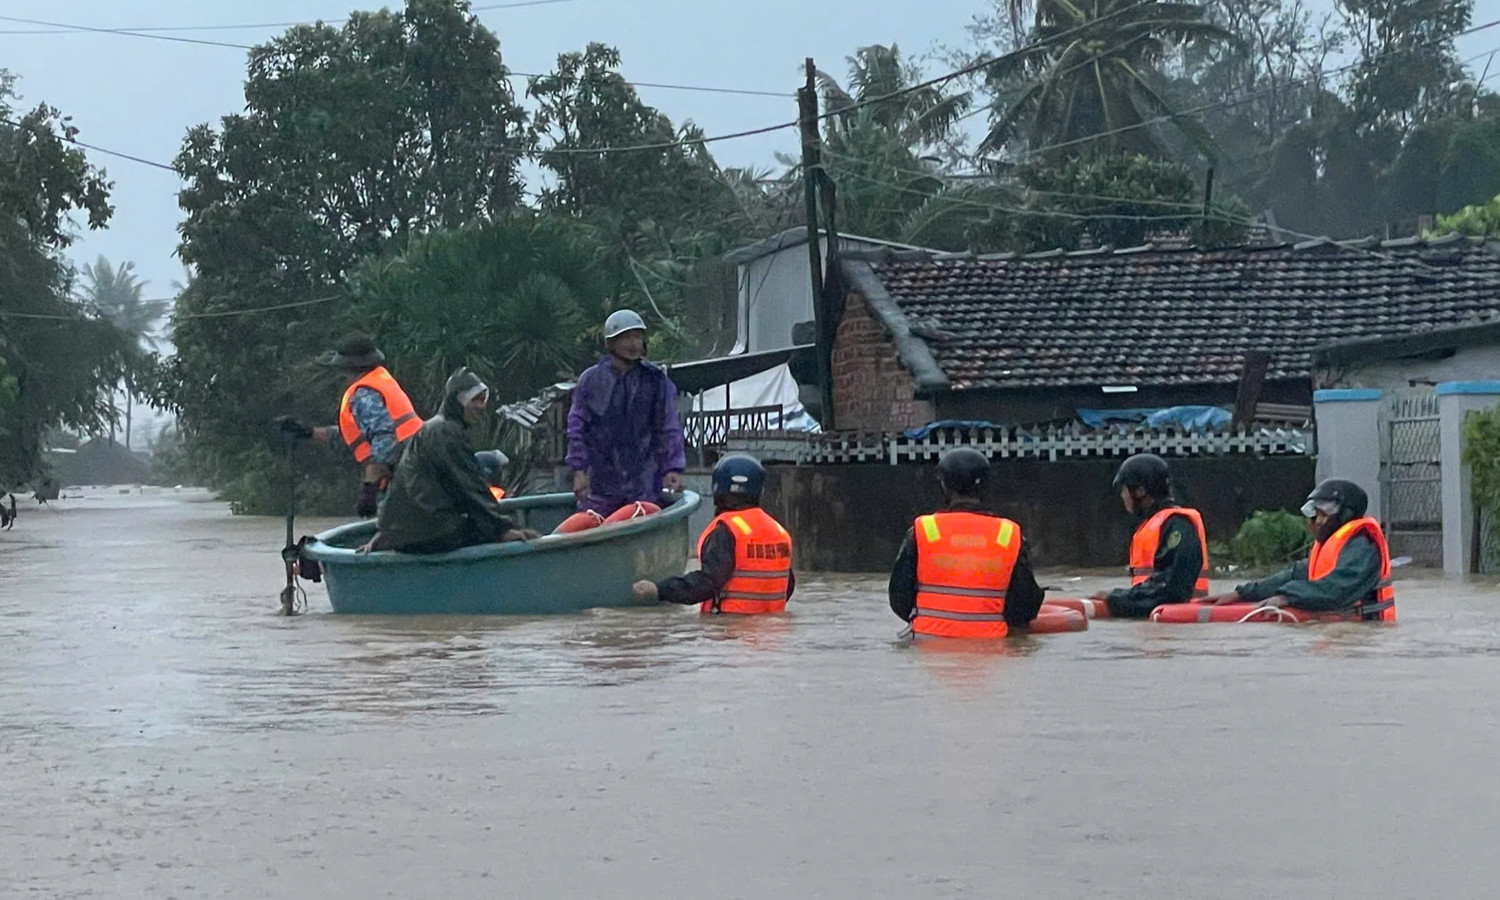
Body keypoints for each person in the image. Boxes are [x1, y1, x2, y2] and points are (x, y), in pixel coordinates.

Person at [367, 368, 538, 554]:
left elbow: (399, 485)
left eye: (483, 400)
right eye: (475, 400)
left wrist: (387, 529)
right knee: (514, 534)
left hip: (405, 533)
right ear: (458, 401)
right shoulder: (447, 432)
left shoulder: (432, 428)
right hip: (430, 533)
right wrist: (503, 529)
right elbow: (469, 486)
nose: (481, 407)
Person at [888, 447, 1045, 638]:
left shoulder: (923, 530)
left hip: (927, 642)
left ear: (945, 486)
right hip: (991, 647)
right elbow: (1025, 605)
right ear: (985, 486)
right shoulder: (1009, 534)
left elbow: (899, 597)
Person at [1205, 479, 1395, 621]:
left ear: (1346, 514)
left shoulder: (1362, 548)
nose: (1318, 521)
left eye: (1323, 515)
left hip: (1363, 633)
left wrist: (1287, 597)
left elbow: (1336, 588)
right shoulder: (1333, 547)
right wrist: (1243, 593)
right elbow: (1295, 574)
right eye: (1316, 514)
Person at [276, 332, 421, 517]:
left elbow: (385, 440)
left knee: (391, 532)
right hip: (412, 467)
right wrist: (307, 432)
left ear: (347, 366)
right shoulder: (380, 380)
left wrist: (370, 489)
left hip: (404, 476)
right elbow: (356, 436)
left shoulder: (364, 393)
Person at [631, 454, 793, 614]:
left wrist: (660, 589)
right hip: (774, 633)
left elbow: (707, 583)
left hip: (730, 631)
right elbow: (787, 584)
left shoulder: (727, 531)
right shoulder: (779, 532)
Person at [565, 310, 686, 518]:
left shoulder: (655, 380)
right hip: (601, 480)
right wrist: (579, 470)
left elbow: (668, 426)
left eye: (637, 337)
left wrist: (672, 468)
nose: (633, 344)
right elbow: (577, 427)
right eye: (626, 338)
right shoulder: (592, 380)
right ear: (611, 343)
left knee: (643, 527)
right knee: (594, 528)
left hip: (644, 479)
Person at [1092, 453, 1210, 619]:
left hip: (1179, 619)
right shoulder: (1156, 524)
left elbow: (1174, 588)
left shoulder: (1177, 525)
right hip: (1154, 619)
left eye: (1124, 489)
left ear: (1140, 491)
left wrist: (1118, 598)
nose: (1122, 496)